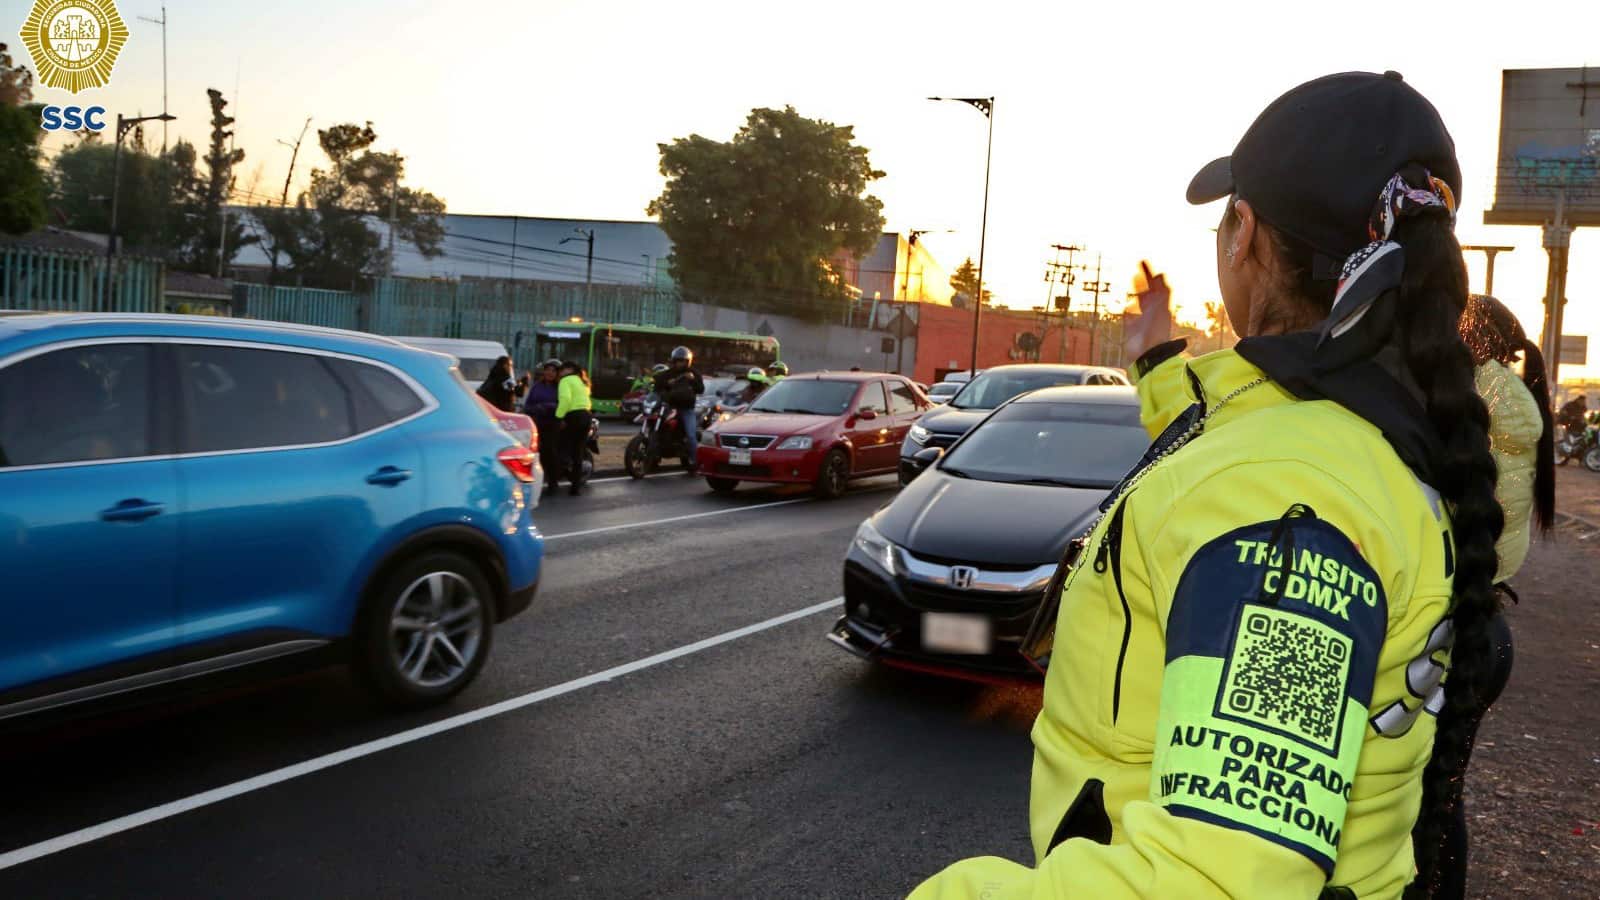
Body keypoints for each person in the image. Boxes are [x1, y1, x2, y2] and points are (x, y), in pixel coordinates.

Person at [912, 71, 1510, 900]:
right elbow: (1224, 449)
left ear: (1245, 235)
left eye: (1226, 216)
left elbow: (1218, 883)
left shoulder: (1287, 500)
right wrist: (1158, 358)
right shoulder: (1339, 438)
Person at [652, 346, 704, 470]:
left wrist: (693, 380)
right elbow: (657, 385)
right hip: (669, 407)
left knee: (691, 435)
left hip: (686, 409)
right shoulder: (668, 373)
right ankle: (653, 456)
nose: (679, 364)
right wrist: (666, 383)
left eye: (682, 361)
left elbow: (701, 389)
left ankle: (695, 461)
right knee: (656, 425)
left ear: (687, 362)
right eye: (677, 361)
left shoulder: (693, 373)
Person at [522, 360, 563, 494]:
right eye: (547, 370)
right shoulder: (537, 386)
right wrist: (534, 409)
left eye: (553, 371)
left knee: (550, 451)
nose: (550, 373)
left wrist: (548, 406)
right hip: (537, 423)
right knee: (537, 453)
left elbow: (563, 404)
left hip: (553, 423)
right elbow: (528, 405)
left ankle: (553, 482)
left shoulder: (560, 387)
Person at [554, 360, 593, 496]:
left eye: (562, 369)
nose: (560, 372)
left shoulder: (565, 381)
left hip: (573, 416)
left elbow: (565, 400)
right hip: (586, 415)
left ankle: (558, 475)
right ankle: (575, 487)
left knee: (561, 447)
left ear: (569, 370)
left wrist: (558, 417)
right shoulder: (581, 381)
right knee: (578, 452)